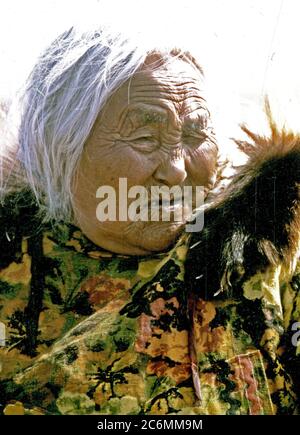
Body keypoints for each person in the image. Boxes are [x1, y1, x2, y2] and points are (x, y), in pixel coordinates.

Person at [0, 24, 299, 415]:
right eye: (144, 139)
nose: (176, 171)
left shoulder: (270, 263)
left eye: (195, 135)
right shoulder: (13, 270)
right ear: (62, 152)